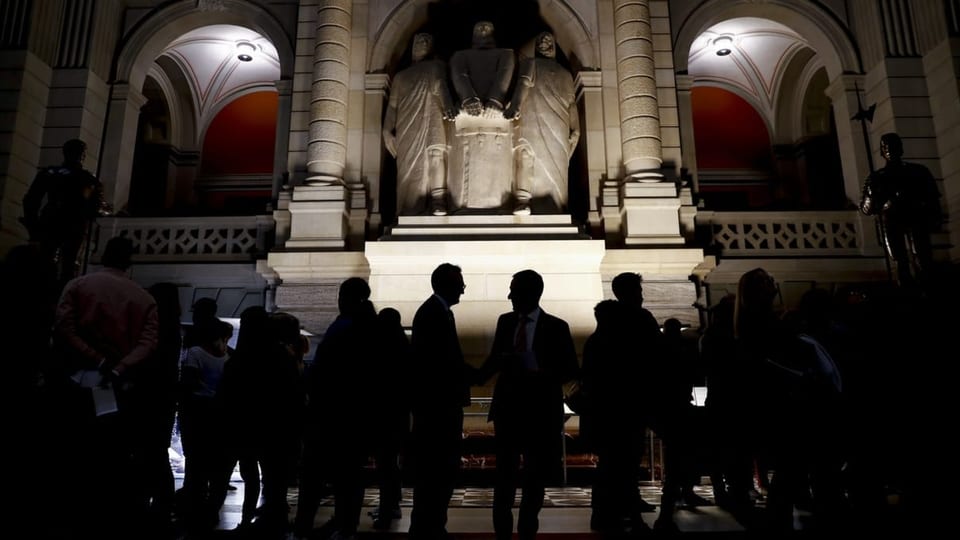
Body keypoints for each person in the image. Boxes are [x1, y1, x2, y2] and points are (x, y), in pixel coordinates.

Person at [53, 235, 159, 538]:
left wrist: (94, 358)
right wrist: (119, 366)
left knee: (73, 453)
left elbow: (65, 327)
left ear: (103, 255)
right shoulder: (144, 298)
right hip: (118, 386)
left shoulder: (77, 286)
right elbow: (148, 342)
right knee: (111, 455)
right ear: (130, 261)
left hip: (76, 381)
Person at [477, 269, 579, 540]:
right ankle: (502, 532)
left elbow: (570, 369)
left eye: (513, 290)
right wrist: (473, 378)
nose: (509, 295)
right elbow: (495, 358)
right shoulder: (505, 321)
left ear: (530, 293)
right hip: (508, 410)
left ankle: (527, 530)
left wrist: (540, 371)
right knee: (504, 475)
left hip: (541, 412)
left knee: (535, 477)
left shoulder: (558, 327)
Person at [408, 263, 475, 540]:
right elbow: (441, 363)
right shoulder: (433, 314)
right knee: (437, 472)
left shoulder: (437, 312)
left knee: (438, 473)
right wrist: (474, 374)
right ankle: (429, 527)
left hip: (438, 406)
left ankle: (431, 525)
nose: (463, 288)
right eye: (459, 283)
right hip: (438, 409)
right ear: (446, 285)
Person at [383, 33, 458, 217]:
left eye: (427, 41)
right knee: (408, 166)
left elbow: (442, 87)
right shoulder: (401, 77)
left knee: (436, 154)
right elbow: (392, 106)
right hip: (407, 124)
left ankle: (438, 200)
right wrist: (386, 130)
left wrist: (448, 106)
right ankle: (409, 207)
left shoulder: (436, 67)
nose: (422, 43)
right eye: (418, 41)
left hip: (434, 117)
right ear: (412, 47)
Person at [505, 31, 580, 215]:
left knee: (556, 165)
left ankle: (556, 206)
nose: (545, 43)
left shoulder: (565, 74)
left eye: (548, 40)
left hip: (558, 124)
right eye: (541, 40)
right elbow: (521, 88)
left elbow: (571, 104)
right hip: (530, 117)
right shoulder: (529, 64)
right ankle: (523, 200)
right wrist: (513, 107)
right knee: (526, 155)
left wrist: (576, 128)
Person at [21, 138, 110, 284]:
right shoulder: (88, 178)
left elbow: (30, 200)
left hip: (50, 220)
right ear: (82, 155)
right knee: (68, 264)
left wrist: (33, 225)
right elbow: (95, 207)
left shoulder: (49, 173)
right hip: (73, 224)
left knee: (46, 261)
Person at [859, 132, 942, 288]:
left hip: (915, 218)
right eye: (885, 146)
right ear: (882, 151)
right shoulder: (876, 177)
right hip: (891, 222)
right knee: (899, 261)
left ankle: (926, 290)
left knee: (922, 257)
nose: (889, 149)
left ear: (900, 149)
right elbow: (866, 209)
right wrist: (871, 193)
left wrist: (935, 218)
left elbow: (932, 197)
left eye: (893, 145)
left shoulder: (918, 171)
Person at [449, 21, 515, 118]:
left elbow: (504, 73)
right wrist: (468, 98)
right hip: (466, 109)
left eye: (487, 27)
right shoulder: (460, 55)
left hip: (498, 108)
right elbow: (459, 74)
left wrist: (495, 100)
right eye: (479, 27)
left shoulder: (506, 53)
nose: (483, 29)